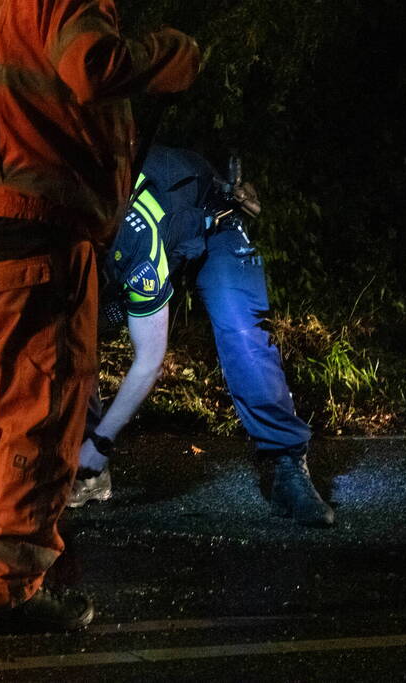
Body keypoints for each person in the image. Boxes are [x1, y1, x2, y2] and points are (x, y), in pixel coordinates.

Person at [0, 1, 200, 633]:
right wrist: (166, 56)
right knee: (45, 407)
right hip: (40, 232)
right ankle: (11, 587)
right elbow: (91, 68)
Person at [68, 145, 336, 528]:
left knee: (241, 329)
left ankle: (286, 465)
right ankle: (87, 473)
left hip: (211, 223)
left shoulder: (135, 239)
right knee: (72, 336)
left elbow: (149, 359)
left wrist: (103, 443)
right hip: (154, 231)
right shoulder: (59, 225)